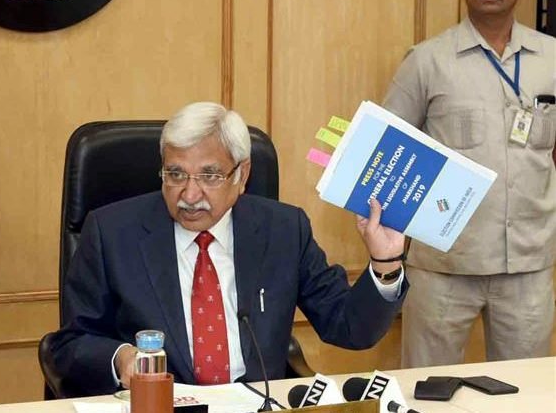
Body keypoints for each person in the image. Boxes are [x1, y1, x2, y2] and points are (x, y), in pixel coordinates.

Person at [49, 102, 408, 396]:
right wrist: (120, 357)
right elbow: (69, 345)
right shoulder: (112, 232)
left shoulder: (283, 230)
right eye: (175, 175)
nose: (189, 195)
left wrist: (385, 261)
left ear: (242, 175)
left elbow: (349, 327)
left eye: (210, 176)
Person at [383, 0, 556, 367]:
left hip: (529, 267)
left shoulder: (552, 58)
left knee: (524, 396)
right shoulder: (427, 60)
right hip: (444, 267)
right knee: (426, 392)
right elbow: (388, 154)